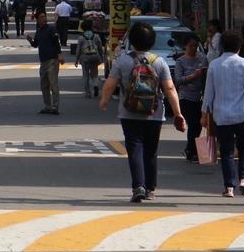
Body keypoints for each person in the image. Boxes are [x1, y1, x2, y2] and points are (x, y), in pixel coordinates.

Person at [100, 22, 186, 202]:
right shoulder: (159, 62)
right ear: (152, 41)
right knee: (151, 150)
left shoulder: (122, 61)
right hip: (154, 113)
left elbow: (110, 85)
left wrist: (104, 102)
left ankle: (138, 186)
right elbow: (169, 88)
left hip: (129, 112)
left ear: (132, 40)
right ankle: (150, 188)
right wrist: (178, 113)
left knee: (134, 149)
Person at [202, 32, 244, 198]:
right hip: (243, 114)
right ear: (239, 47)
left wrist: (204, 114)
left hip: (221, 116)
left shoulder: (214, 65)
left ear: (222, 46)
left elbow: (208, 93)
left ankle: (229, 187)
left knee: (226, 151)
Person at [173, 37, 209, 162]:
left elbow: (208, 76)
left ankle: (190, 149)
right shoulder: (180, 62)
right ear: (186, 47)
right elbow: (178, 80)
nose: (194, 48)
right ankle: (192, 151)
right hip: (186, 97)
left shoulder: (203, 59)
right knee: (193, 123)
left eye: (195, 46)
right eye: (191, 46)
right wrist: (193, 76)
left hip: (201, 97)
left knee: (199, 124)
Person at [34, 7, 63, 114]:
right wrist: (29, 39)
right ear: (37, 20)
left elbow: (56, 42)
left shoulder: (51, 28)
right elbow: (35, 44)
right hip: (43, 61)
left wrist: (59, 54)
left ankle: (55, 107)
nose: (44, 19)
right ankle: (47, 106)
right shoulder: (39, 31)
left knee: (53, 84)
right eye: (41, 17)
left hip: (52, 60)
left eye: (44, 16)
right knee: (44, 85)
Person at [75, 18, 105, 98]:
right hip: (95, 57)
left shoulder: (81, 37)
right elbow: (100, 47)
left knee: (86, 76)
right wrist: (101, 56)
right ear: (91, 27)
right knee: (94, 73)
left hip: (84, 58)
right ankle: (95, 85)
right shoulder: (96, 36)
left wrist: (77, 59)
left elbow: (78, 49)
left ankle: (88, 93)